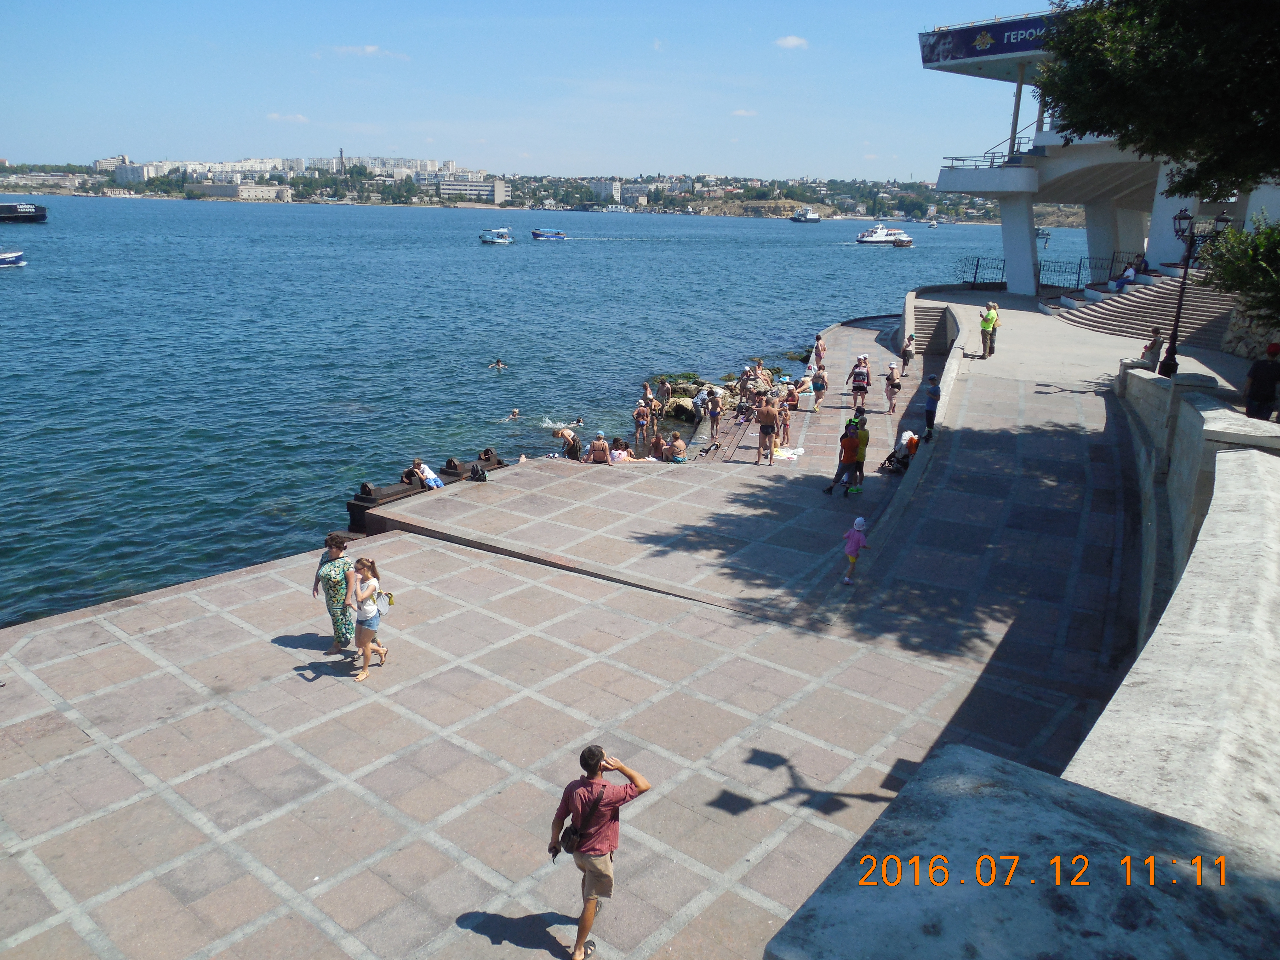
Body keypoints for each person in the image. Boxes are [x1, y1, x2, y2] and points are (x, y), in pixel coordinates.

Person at [549, 746, 650, 960]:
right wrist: (621, 767)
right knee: (591, 899)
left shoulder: (573, 788)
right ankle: (578, 950)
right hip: (598, 856)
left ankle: (591, 909)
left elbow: (559, 818)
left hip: (578, 852)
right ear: (602, 765)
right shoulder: (610, 793)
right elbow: (643, 784)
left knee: (587, 879)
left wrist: (554, 841)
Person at [313, 533, 357, 658]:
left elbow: (351, 582)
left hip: (340, 596)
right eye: (328, 547)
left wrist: (348, 598)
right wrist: (315, 585)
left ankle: (337, 644)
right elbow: (319, 570)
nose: (329, 550)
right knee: (339, 617)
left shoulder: (346, 562)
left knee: (337, 619)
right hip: (329, 595)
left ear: (339, 548)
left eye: (331, 547)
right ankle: (349, 633)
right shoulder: (326, 555)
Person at [352, 558, 388, 682]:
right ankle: (381, 650)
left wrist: (357, 582)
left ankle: (365, 671)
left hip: (370, 617)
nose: (355, 572)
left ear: (365, 569)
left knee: (365, 645)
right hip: (361, 616)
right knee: (358, 644)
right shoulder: (362, 580)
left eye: (357, 569)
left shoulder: (373, 583)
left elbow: (360, 597)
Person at [1243, 343, 1280, 420]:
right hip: (1268, 398)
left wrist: (1245, 391)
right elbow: (1278, 382)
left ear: (1267, 352)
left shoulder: (1258, 364)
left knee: (1250, 419)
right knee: (1263, 421)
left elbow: (1250, 379)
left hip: (1254, 395)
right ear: (1278, 354)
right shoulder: (1278, 367)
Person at [823, 420, 859, 497]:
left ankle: (831, 488)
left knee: (839, 474)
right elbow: (857, 452)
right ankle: (846, 491)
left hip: (845, 460)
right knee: (850, 475)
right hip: (853, 461)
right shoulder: (856, 442)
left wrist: (840, 460)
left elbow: (841, 451)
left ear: (848, 432)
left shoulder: (844, 441)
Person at [841, 517, 868, 586]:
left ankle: (852, 568)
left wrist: (845, 534)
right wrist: (868, 547)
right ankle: (846, 579)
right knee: (851, 565)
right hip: (852, 553)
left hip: (847, 550)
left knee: (857, 555)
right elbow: (862, 545)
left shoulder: (851, 531)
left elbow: (844, 537)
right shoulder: (861, 536)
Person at [756, 399, 779, 465]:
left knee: (761, 445)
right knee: (771, 445)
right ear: (771, 403)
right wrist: (778, 430)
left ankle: (758, 461)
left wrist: (761, 422)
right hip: (771, 427)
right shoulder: (774, 410)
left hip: (763, 427)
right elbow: (777, 422)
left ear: (765, 402)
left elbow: (756, 420)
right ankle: (771, 462)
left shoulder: (761, 410)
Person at [851, 416, 869, 494]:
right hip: (863, 452)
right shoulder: (867, 432)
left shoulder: (857, 432)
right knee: (861, 470)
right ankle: (860, 486)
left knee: (854, 471)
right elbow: (867, 443)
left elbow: (855, 443)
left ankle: (854, 487)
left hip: (856, 453)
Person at [924, 373, 941, 442]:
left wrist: (929, 394)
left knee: (930, 421)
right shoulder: (932, 387)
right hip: (928, 407)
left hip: (932, 407)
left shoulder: (937, 388)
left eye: (931, 380)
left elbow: (937, 398)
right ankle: (928, 433)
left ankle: (930, 435)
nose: (930, 382)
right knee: (928, 421)